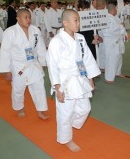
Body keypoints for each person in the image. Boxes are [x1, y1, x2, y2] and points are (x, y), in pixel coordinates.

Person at [46, 9, 100, 152]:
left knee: (85, 108)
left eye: (78, 20)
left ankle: (70, 125)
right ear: (65, 23)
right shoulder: (57, 41)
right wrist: (57, 87)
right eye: (75, 20)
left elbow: (87, 59)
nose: (78, 23)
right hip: (65, 81)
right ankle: (67, 139)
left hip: (80, 78)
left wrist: (90, 78)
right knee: (65, 113)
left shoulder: (80, 38)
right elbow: (52, 65)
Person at [0, 9, 48, 119]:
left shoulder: (35, 30)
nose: (28, 20)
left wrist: (43, 61)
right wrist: (6, 70)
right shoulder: (10, 32)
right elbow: (5, 52)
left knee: (39, 87)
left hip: (33, 64)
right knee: (18, 89)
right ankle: (19, 108)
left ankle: (41, 110)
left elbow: (40, 46)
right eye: (25, 17)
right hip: (18, 66)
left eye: (29, 17)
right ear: (18, 18)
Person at [100, 4, 128, 83]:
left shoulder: (115, 18)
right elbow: (110, 30)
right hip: (110, 41)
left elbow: (121, 28)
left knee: (118, 58)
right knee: (111, 60)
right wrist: (121, 26)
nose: (116, 10)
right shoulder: (106, 18)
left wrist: (125, 34)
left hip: (118, 40)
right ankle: (109, 78)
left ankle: (117, 72)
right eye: (116, 9)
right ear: (113, 10)